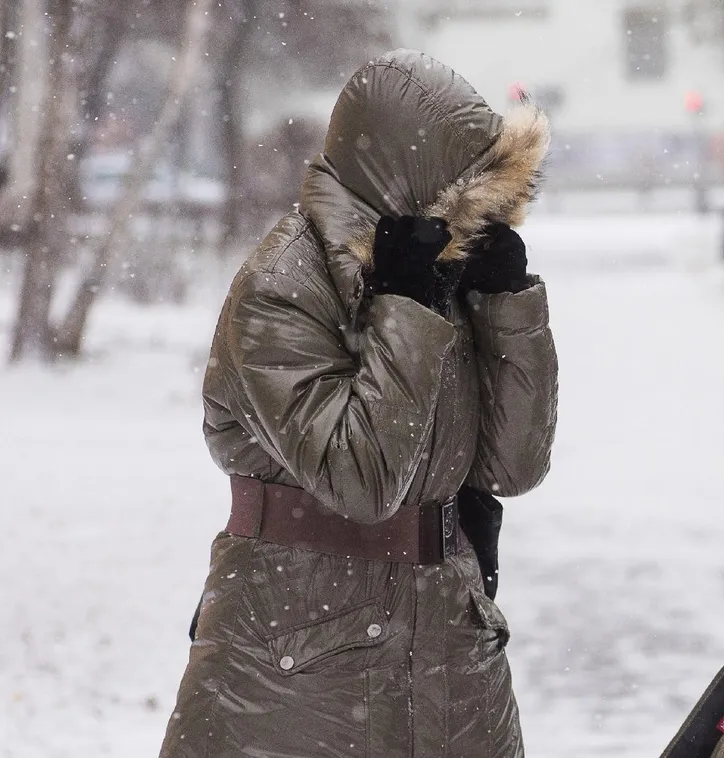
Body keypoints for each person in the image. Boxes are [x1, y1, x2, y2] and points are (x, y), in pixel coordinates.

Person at [159, 50, 557, 758]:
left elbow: (512, 467)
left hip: (446, 640)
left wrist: (507, 305)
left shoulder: (435, 273)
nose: (479, 222)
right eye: (471, 201)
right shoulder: (283, 288)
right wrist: (404, 308)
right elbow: (361, 480)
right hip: (298, 656)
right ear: (411, 183)